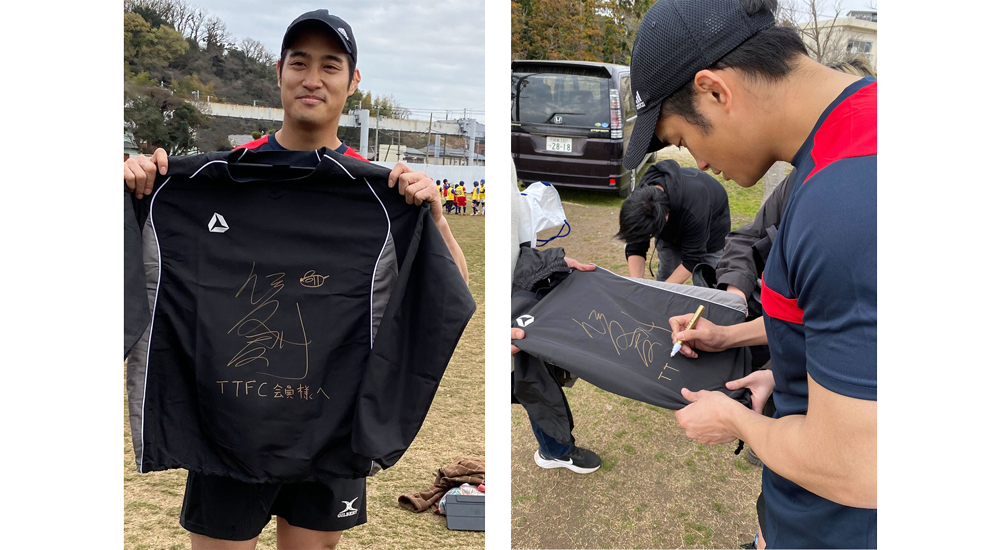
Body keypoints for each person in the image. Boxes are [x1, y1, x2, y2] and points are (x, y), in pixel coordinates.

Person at [122, 10, 468, 550]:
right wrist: (134, 191)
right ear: (279, 72)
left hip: (331, 428)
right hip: (225, 425)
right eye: (299, 63)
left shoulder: (382, 194)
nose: (313, 78)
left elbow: (450, 295)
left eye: (330, 65)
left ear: (353, 81)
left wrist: (435, 219)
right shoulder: (213, 179)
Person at [623, 1, 876, 548]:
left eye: (684, 141)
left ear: (715, 91)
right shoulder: (854, 140)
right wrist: (761, 357)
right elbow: (845, 325)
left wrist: (736, 422)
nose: (699, 164)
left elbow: (857, 467)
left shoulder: (845, 198)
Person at [510, 158, 601, 474]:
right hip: (511, 313)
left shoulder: (505, 163)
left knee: (536, 379)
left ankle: (554, 448)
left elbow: (515, 236)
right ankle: (555, 451)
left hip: (521, 298)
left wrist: (549, 264)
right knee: (533, 383)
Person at [615, 159, 730, 285]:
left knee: (707, 283)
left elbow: (692, 259)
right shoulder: (642, 195)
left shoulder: (695, 210)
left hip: (712, 230)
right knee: (666, 274)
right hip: (677, 221)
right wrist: (637, 285)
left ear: (666, 216)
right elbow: (636, 246)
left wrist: (663, 291)